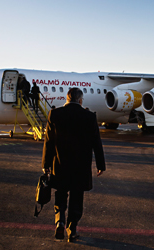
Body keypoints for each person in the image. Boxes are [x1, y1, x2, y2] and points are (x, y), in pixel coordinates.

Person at [41, 88, 106, 242]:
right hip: (80, 167)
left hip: (60, 164)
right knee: (77, 197)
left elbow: (49, 142)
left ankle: (60, 221)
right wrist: (100, 164)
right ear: (80, 100)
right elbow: (96, 142)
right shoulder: (89, 116)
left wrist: (46, 163)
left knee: (61, 194)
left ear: (67, 98)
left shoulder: (55, 114)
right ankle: (72, 229)